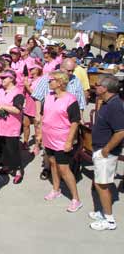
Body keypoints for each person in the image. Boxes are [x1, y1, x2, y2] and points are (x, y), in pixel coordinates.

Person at [42, 71, 82, 212]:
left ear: (59, 82)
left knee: (64, 169)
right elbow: (44, 116)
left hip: (62, 139)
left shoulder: (71, 100)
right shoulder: (48, 97)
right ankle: (56, 189)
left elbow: (75, 122)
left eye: (51, 80)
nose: (49, 82)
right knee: (52, 163)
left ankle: (76, 199)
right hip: (48, 137)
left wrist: (69, 141)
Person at [89, 75, 124, 230]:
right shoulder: (108, 103)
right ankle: (103, 212)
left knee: (102, 185)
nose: (95, 87)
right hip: (101, 149)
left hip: (106, 152)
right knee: (99, 182)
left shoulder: (115, 106)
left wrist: (106, 150)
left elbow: (120, 132)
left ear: (104, 88)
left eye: (97, 85)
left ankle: (109, 220)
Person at [0, 70, 25, 184]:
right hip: (0, 125)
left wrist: (3, 106)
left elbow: (17, 109)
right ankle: (5, 167)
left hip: (12, 127)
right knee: (2, 148)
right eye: (1, 78)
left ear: (12, 79)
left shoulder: (18, 93)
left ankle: (18, 171)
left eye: (4, 78)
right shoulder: (0, 91)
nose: (2, 80)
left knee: (13, 150)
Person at [23, 62, 43, 154]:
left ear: (38, 69)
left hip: (36, 107)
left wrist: (27, 86)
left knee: (37, 127)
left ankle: (37, 145)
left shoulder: (40, 81)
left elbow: (36, 94)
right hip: (28, 106)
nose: (30, 70)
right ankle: (25, 142)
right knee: (25, 125)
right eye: (30, 69)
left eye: (32, 69)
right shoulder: (30, 79)